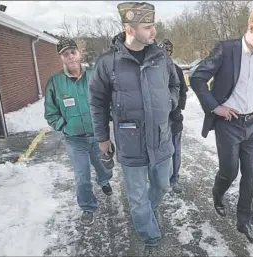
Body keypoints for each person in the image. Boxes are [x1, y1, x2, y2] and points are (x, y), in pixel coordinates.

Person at [88, 2, 180, 255]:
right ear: (129, 28)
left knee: (162, 185)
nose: (154, 31)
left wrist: (170, 102)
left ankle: (146, 214)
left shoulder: (161, 57)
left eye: (154, 25)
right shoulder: (108, 62)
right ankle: (149, 236)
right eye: (148, 26)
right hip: (130, 141)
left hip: (161, 137)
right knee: (137, 198)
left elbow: (176, 85)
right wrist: (102, 138)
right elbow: (96, 101)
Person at [190, 7, 253, 244]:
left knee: (251, 173)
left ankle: (245, 221)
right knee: (230, 171)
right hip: (229, 124)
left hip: (252, 124)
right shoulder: (226, 50)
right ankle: (218, 193)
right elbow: (197, 77)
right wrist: (216, 107)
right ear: (251, 28)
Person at [44, 38, 114, 226]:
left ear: (79, 54)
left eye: (73, 52)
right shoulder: (55, 82)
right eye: (65, 54)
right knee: (82, 176)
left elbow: (107, 98)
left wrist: (110, 117)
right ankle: (87, 207)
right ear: (61, 58)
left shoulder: (94, 75)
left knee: (103, 167)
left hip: (98, 136)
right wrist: (64, 126)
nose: (70, 57)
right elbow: (50, 113)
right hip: (75, 141)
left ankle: (104, 181)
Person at [158, 39, 188, 193]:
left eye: (168, 51)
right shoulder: (153, 70)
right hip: (158, 119)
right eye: (163, 51)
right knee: (159, 151)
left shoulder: (177, 70)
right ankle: (159, 180)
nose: (165, 54)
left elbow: (183, 91)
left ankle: (174, 178)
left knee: (175, 150)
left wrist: (178, 108)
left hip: (174, 118)